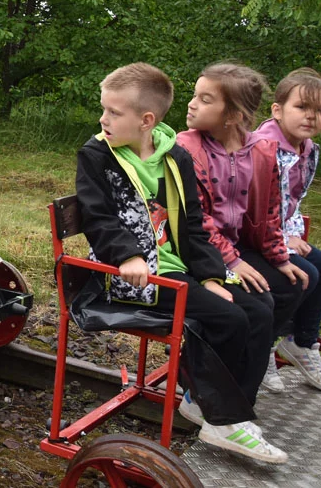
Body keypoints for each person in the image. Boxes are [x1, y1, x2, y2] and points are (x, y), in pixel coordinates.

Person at [77, 62, 284, 463]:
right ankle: (219, 415)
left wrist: (209, 275)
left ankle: (225, 409)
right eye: (104, 110)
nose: (103, 119)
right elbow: (96, 217)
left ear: (147, 120)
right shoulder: (98, 156)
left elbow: (192, 224)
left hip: (180, 267)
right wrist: (129, 256)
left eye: (113, 112)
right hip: (134, 275)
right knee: (229, 319)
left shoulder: (174, 157)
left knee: (260, 309)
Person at [178, 62, 308, 393]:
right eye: (196, 95)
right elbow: (196, 220)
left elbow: (268, 212)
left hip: (234, 247)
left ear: (233, 116)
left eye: (205, 99)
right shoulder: (188, 147)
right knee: (256, 305)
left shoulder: (261, 152)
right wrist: (232, 263)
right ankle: (208, 386)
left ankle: (251, 358)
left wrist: (279, 257)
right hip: (200, 253)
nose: (192, 103)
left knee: (291, 283)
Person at [253, 67, 321, 389]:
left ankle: (302, 342)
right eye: (302, 107)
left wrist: (292, 233)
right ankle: (262, 346)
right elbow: (256, 205)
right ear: (278, 111)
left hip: (278, 232)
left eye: (320, 110)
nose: (311, 116)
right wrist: (283, 239)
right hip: (252, 234)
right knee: (301, 275)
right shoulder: (264, 147)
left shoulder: (308, 150)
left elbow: (292, 200)